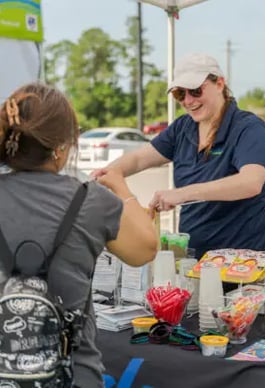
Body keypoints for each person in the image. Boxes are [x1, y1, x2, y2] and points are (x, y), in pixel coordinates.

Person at [0, 82, 158, 387]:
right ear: (61, 147)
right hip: (73, 376)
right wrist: (121, 187)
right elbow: (145, 249)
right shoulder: (92, 200)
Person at [93, 52, 265, 260]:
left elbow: (251, 182)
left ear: (219, 83)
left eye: (195, 91)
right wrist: (108, 172)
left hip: (245, 259)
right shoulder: (183, 127)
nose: (188, 101)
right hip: (195, 257)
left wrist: (181, 194)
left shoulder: (248, 127)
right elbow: (139, 159)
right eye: (180, 94)